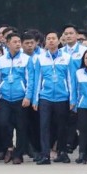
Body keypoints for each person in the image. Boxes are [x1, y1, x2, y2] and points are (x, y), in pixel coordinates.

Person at [31, 32, 74, 165]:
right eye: (48, 39)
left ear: (58, 41)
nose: (51, 41)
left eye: (53, 39)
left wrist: (72, 99)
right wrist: (35, 99)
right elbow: (37, 80)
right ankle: (45, 154)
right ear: (45, 42)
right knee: (44, 126)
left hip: (62, 97)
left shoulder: (67, 58)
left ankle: (62, 152)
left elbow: (71, 79)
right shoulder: (40, 58)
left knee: (62, 127)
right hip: (45, 97)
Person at [0, 31, 32, 165]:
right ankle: (9, 148)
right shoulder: (1, 60)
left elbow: (30, 79)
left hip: (20, 97)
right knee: (3, 123)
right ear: (7, 43)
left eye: (19, 42)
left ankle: (19, 154)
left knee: (21, 127)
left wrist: (28, 96)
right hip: (5, 97)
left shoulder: (26, 59)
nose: (17, 44)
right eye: (14, 42)